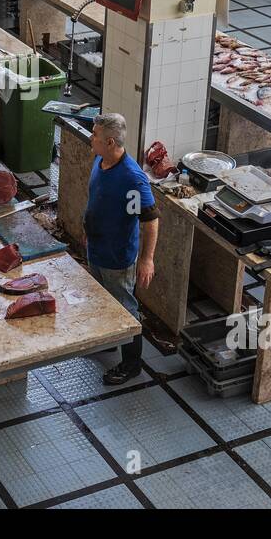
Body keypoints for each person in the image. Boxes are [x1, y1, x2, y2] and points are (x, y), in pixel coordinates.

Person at [84, 112, 157, 386]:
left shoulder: (132, 179)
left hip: (117, 256)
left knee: (126, 308)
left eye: (96, 136)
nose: (92, 139)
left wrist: (147, 260)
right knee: (103, 300)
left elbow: (150, 221)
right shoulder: (100, 160)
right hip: (97, 247)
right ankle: (109, 341)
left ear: (111, 141)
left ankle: (131, 364)